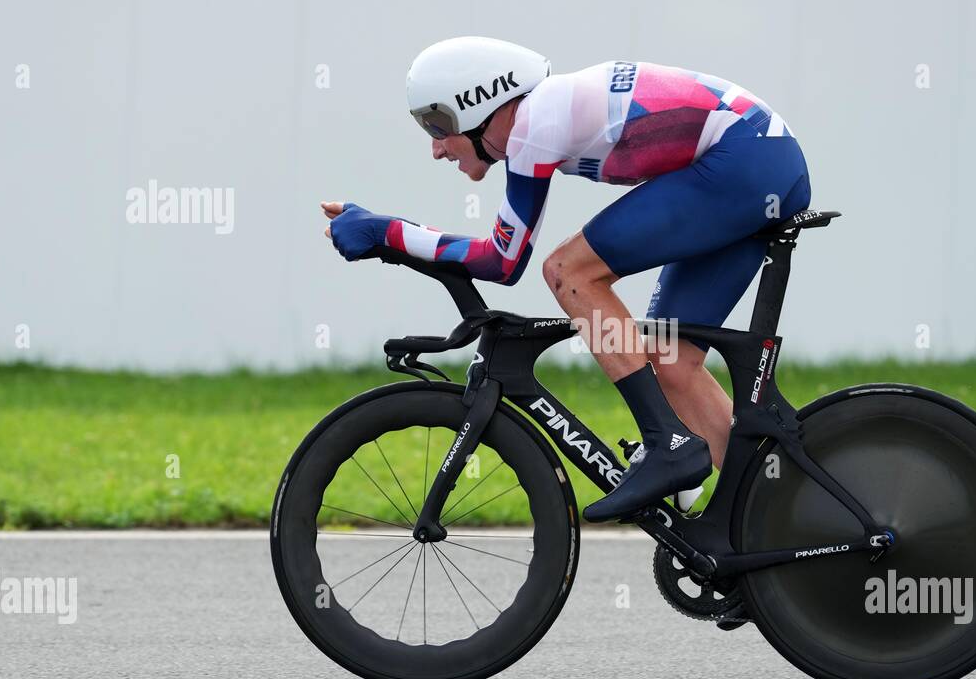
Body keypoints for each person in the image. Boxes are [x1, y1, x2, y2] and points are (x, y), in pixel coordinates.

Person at [324, 36, 811, 521]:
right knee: (670, 360)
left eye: (436, 123)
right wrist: (389, 235)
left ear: (480, 103)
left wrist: (385, 230)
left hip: (748, 159)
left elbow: (503, 261)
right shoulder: (546, 115)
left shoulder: (536, 123)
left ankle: (671, 444)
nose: (434, 148)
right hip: (759, 161)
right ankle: (779, 524)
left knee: (569, 271)